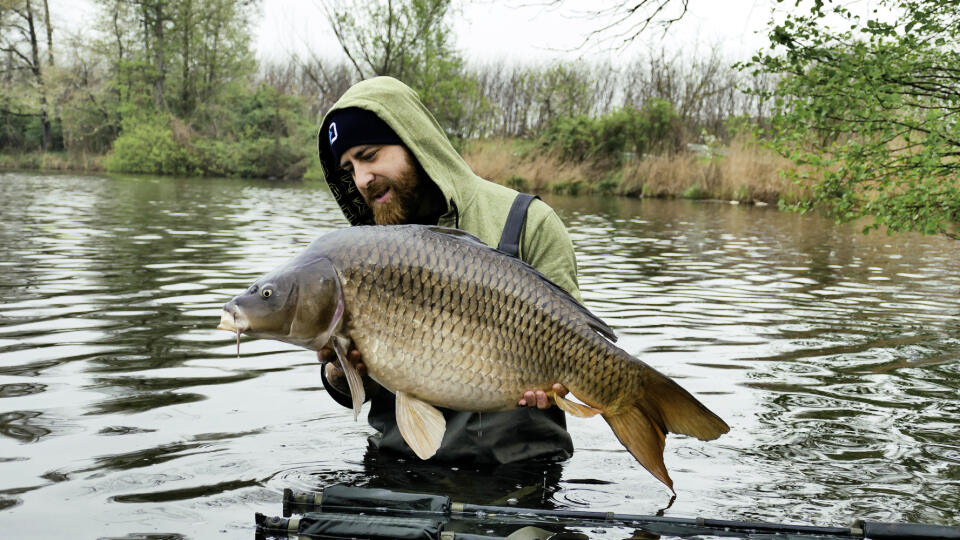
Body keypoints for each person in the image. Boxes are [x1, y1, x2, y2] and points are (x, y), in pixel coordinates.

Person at [315, 76, 581, 465]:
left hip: (517, 473)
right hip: (396, 471)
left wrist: (559, 383)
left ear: (415, 141)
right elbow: (358, 388)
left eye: (369, 156)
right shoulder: (362, 252)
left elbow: (575, 357)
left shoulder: (529, 222)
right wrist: (341, 375)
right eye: (349, 168)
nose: (361, 180)